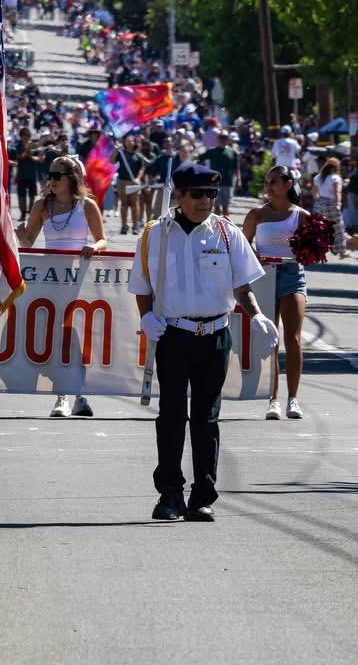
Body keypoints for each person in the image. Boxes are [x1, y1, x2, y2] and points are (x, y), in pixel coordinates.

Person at [128, 163, 278, 522]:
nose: (206, 201)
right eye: (197, 194)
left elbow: (242, 286)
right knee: (171, 416)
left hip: (214, 335)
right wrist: (146, 316)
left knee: (206, 419)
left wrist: (257, 315)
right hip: (173, 334)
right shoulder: (154, 234)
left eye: (211, 194)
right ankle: (169, 494)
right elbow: (142, 286)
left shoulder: (226, 233)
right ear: (178, 196)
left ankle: (202, 496)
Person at [15, 155, 107, 418]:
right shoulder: (42, 205)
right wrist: (21, 237)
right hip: (51, 281)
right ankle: (62, 396)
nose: (51, 181)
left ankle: (80, 396)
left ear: (72, 178)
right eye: (49, 176)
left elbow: (102, 239)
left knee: (78, 337)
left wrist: (93, 247)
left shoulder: (87, 206)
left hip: (79, 281)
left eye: (57, 176)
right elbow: (29, 242)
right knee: (57, 338)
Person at [242, 165, 308, 420]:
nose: (269, 186)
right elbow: (242, 246)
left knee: (293, 338)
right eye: (267, 182)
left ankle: (293, 398)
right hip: (264, 277)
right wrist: (255, 258)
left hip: (293, 277)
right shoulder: (257, 214)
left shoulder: (301, 216)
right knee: (271, 339)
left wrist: (308, 253)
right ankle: (273, 399)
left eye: (274, 182)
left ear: (289, 184)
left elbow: (313, 249)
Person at [312, 156, 347, 257]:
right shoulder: (335, 178)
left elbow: (314, 192)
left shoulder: (318, 177)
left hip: (320, 203)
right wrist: (338, 203)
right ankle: (340, 250)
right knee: (337, 227)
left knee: (318, 228)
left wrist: (319, 201)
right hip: (331, 203)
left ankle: (315, 249)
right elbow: (337, 192)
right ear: (336, 167)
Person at [203, 130, 239, 218]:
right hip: (215, 183)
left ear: (228, 139)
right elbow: (198, 158)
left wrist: (239, 180)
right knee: (216, 207)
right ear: (218, 138)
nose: (223, 139)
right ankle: (216, 225)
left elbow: (236, 168)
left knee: (226, 208)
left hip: (227, 183)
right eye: (221, 137)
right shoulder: (212, 151)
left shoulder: (232, 152)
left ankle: (227, 225)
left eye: (225, 137)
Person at [114, 133, 145, 235]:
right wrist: (115, 150)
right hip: (122, 181)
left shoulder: (138, 155)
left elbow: (142, 168)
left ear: (134, 142)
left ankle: (135, 226)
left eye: (131, 141)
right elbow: (111, 161)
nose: (129, 142)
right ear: (125, 143)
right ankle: (124, 226)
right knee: (124, 204)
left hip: (133, 182)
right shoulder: (121, 153)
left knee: (134, 204)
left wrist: (138, 178)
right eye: (127, 141)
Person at [9, 128, 41, 223]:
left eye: (28, 135)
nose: (26, 137)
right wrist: (26, 151)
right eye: (24, 135)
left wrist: (31, 156)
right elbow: (17, 159)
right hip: (21, 175)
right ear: (21, 136)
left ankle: (30, 213)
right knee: (22, 196)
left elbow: (40, 159)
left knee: (32, 196)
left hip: (32, 175)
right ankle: (23, 213)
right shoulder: (17, 146)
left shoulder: (34, 145)